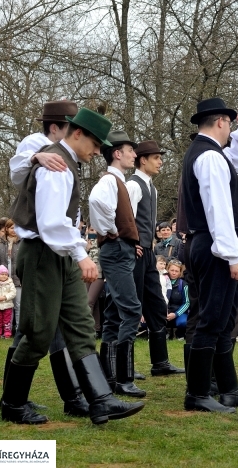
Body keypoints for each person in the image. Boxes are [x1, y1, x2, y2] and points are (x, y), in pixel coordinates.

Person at [3, 106, 144, 425]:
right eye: (95, 145)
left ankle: (101, 400)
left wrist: (75, 253)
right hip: (42, 254)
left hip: (59, 255)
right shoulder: (57, 164)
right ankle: (12, 403)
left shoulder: (64, 161)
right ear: (77, 134)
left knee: (81, 326)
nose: (97, 152)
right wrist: (81, 254)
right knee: (38, 332)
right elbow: (51, 222)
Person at [179, 97, 238, 413]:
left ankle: (228, 389)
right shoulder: (209, 157)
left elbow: (234, 161)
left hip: (210, 244)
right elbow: (218, 211)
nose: (231, 130)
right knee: (212, 318)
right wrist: (232, 256)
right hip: (213, 246)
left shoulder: (210, 155)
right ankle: (198, 393)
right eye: (230, 124)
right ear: (221, 122)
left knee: (223, 319)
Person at [89, 130, 147, 398]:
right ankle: (123, 378)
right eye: (130, 150)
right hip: (115, 249)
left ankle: (109, 375)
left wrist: (124, 236)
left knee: (113, 315)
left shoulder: (118, 180)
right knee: (132, 310)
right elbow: (96, 201)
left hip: (119, 248)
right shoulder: (110, 180)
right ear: (117, 153)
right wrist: (112, 231)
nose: (135, 154)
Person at [126, 140, 184, 377]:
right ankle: (124, 367)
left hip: (149, 253)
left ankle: (160, 363)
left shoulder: (152, 187)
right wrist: (132, 245)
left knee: (158, 305)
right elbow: (125, 217)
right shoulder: (133, 185)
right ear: (143, 160)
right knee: (130, 308)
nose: (161, 161)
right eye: (156, 157)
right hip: (135, 253)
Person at [0, 220, 21, 330]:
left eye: (15, 228)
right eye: (11, 228)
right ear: (7, 229)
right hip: (3, 280)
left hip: (18, 279)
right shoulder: (0, 244)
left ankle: (19, 329)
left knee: (18, 305)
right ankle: (7, 329)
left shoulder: (22, 242)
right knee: (6, 305)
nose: (13, 230)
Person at [85, 228, 105, 338]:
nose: (94, 232)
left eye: (96, 230)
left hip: (100, 274)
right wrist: (86, 249)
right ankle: (96, 329)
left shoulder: (103, 240)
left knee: (90, 301)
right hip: (86, 273)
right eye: (91, 229)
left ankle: (86, 329)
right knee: (94, 302)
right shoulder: (83, 241)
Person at [165, 259, 190, 340]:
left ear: (180, 272)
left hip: (179, 312)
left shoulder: (184, 284)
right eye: (172, 270)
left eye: (176, 271)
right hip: (165, 311)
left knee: (183, 322)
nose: (174, 273)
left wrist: (175, 314)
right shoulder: (162, 281)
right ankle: (166, 333)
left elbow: (186, 303)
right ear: (167, 269)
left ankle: (180, 334)